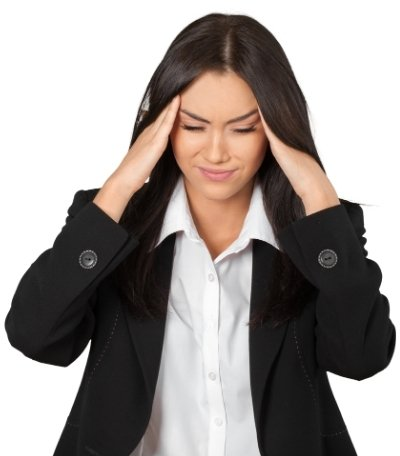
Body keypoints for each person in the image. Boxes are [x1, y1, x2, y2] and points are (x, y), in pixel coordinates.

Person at [4, 12, 396, 456]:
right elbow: (35, 337)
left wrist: (319, 200)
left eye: (243, 129)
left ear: (275, 129)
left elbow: (361, 360)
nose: (215, 152)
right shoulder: (111, 227)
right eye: (193, 126)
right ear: (162, 127)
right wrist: (120, 186)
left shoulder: (319, 234)